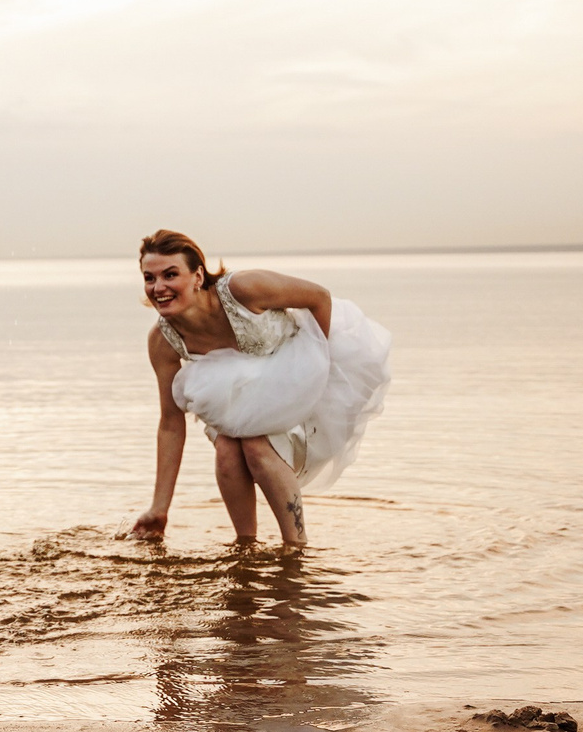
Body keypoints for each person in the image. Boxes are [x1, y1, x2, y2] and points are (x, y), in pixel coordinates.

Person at [127, 229, 389, 545]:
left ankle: (296, 546)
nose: (159, 288)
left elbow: (319, 297)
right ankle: (245, 546)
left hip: (300, 380)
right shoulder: (162, 340)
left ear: (197, 276)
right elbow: (170, 424)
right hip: (243, 398)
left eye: (170, 275)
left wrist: (320, 370)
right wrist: (159, 508)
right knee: (226, 447)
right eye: (149, 278)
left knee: (255, 443)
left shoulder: (242, 289)